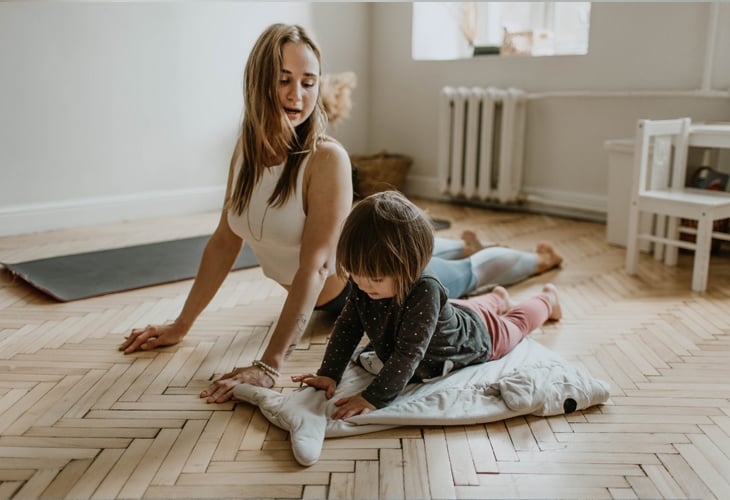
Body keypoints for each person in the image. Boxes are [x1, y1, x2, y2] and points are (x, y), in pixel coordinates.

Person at [118, 23, 562, 403]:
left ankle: (537, 263)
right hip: (353, 280)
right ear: (257, 81)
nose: (298, 94)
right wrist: (181, 324)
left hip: (376, 287)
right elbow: (223, 242)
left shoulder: (325, 159)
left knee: (466, 273)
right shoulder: (246, 151)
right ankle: (459, 251)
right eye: (284, 79)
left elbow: (314, 267)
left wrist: (270, 365)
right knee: (445, 259)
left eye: (309, 82)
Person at [292, 191, 561, 419]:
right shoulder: (365, 284)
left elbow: (408, 354)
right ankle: (498, 297)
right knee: (467, 308)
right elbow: (348, 327)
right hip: (453, 313)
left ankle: (548, 299)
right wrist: (329, 373)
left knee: (516, 323)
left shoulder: (425, 290)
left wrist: (373, 398)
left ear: (410, 266)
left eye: (374, 278)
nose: (363, 285)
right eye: (356, 276)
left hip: (478, 336)